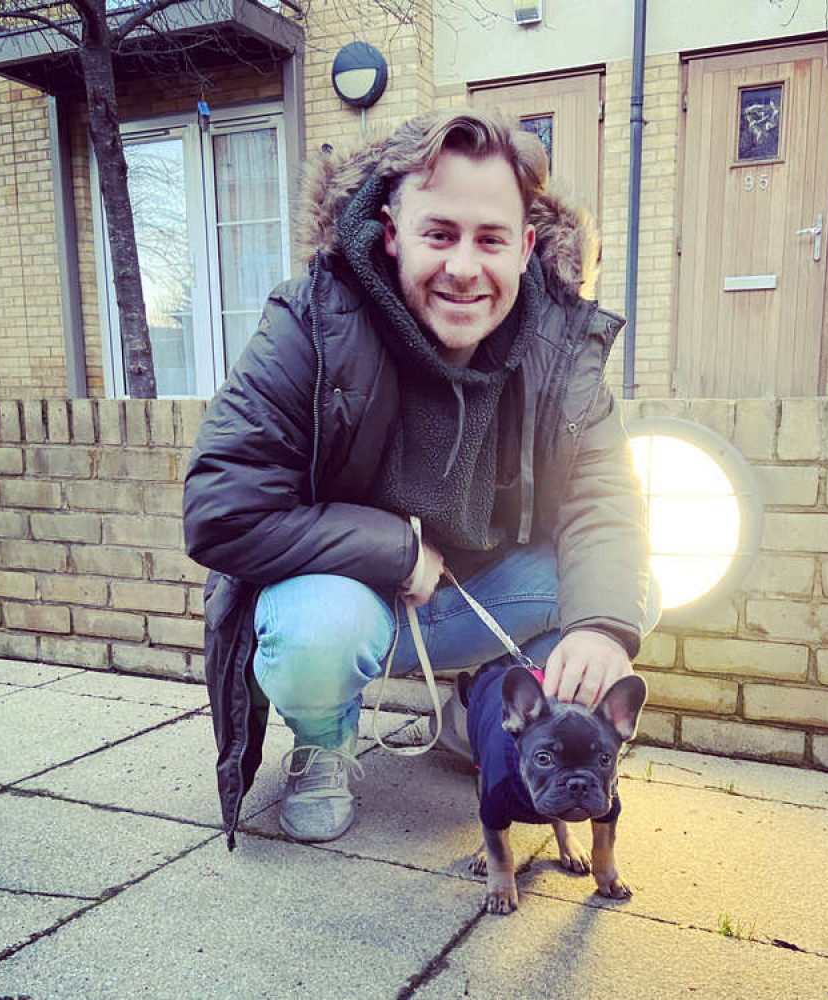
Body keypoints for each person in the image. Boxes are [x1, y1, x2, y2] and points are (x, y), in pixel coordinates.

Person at [183, 108, 660, 850]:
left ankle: (499, 716)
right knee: (318, 630)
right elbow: (220, 509)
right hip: (351, 596)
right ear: (391, 230)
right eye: (439, 234)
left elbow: (604, 498)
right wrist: (393, 549)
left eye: (491, 239)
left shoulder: (561, 342)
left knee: (623, 595)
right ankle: (322, 747)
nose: (465, 268)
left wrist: (601, 626)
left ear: (526, 245)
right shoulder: (310, 319)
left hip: (480, 598)